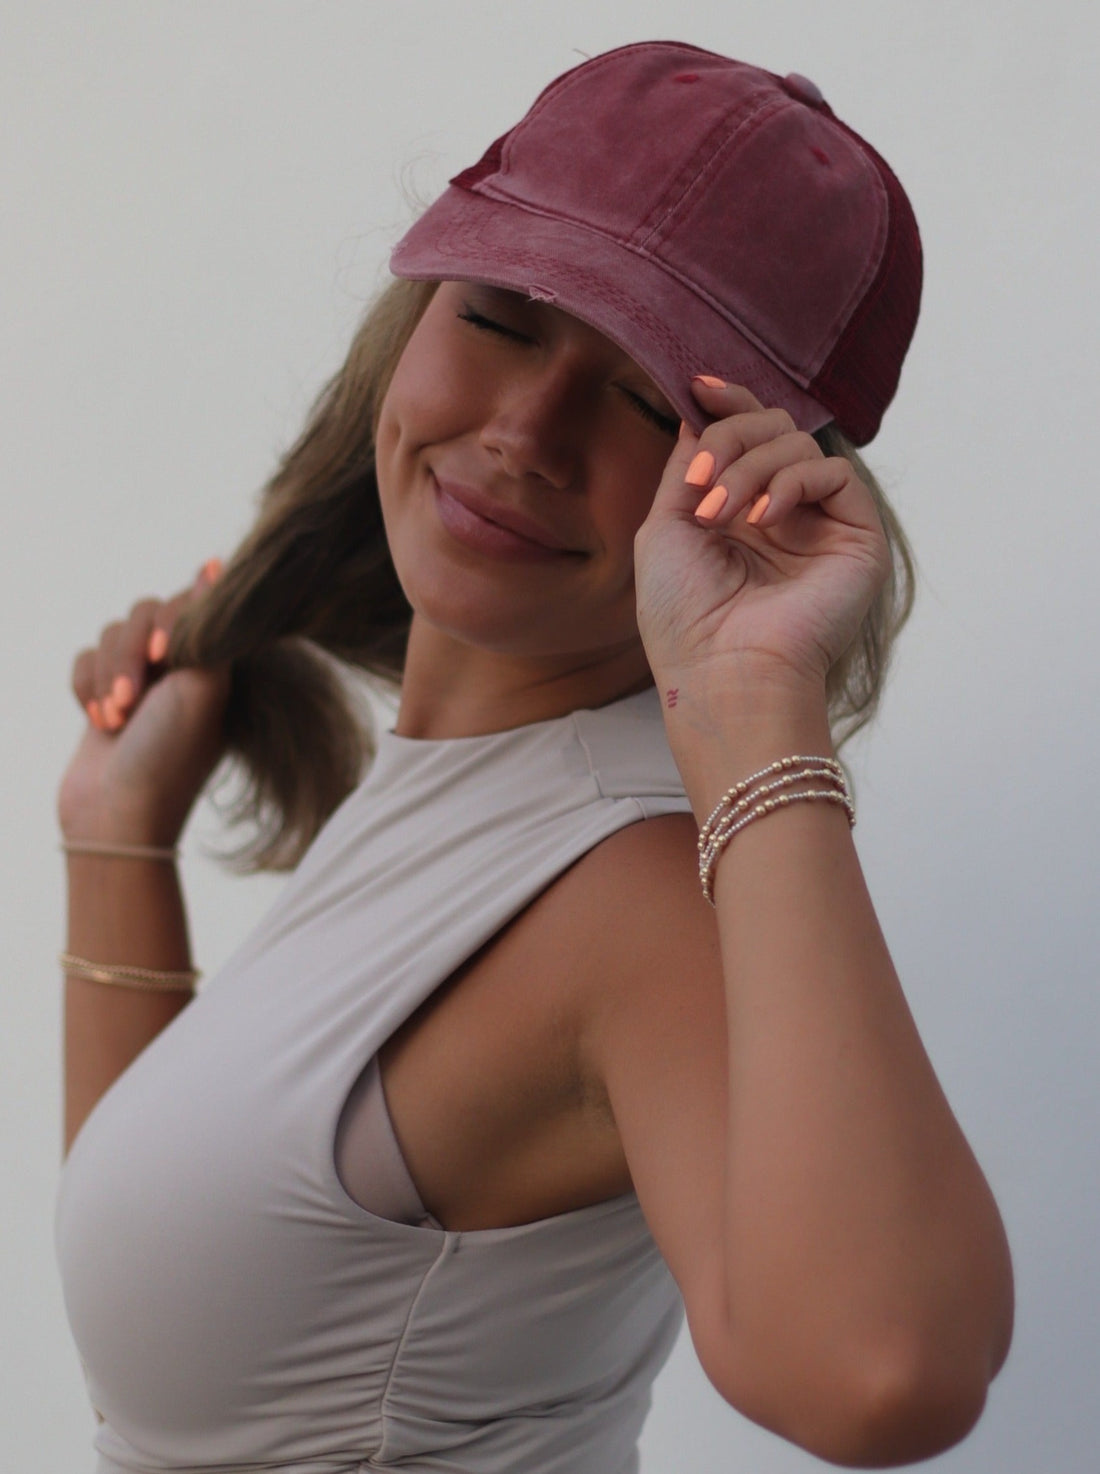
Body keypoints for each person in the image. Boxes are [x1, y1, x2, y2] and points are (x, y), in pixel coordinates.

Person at [54, 41, 1013, 1474]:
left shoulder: (631, 887)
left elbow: (884, 1373)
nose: (525, 433)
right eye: (502, 317)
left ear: (759, 484)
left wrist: (756, 699)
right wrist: (116, 840)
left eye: (650, 402)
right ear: (413, 315)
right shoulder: (472, 801)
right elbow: (173, 1325)